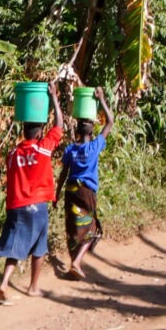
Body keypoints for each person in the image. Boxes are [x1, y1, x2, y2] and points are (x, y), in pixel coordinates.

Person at [0, 80, 64, 303]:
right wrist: (54, 97)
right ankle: (32, 286)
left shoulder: (13, 152)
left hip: (16, 206)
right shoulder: (43, 148)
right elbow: (60, 126)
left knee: (17, 246)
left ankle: (6, 282)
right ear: (40, 131)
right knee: (39, 246)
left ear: (23, 130)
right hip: (37, 206)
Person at [55, 86, 115, 279]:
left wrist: (56, 194)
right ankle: (76, 261)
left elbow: (63, 173)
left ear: (78, 130)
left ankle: (74, 262)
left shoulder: (71, 149)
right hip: (86, 192)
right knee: (93, 229)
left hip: (71, 190)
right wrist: (102, 99)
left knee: (73, 227)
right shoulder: (94, 146)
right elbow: (111, 122)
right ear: (92, 130)